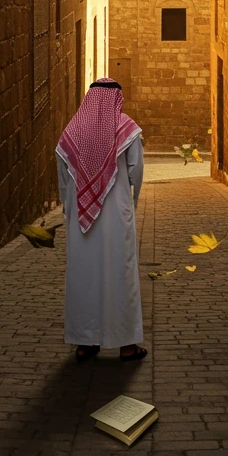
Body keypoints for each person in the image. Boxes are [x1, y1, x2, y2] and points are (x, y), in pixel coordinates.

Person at [55, 78, 147, 363]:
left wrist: (70, 208)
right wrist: (132, 200)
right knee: (120, 275)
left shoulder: (73, 131)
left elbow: (62, 176)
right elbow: (136, 172)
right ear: (116, 100)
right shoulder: (127, 129)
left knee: (84, 276)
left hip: (81, 219)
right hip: (116, 217)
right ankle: (127, 346)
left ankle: (85, 344)